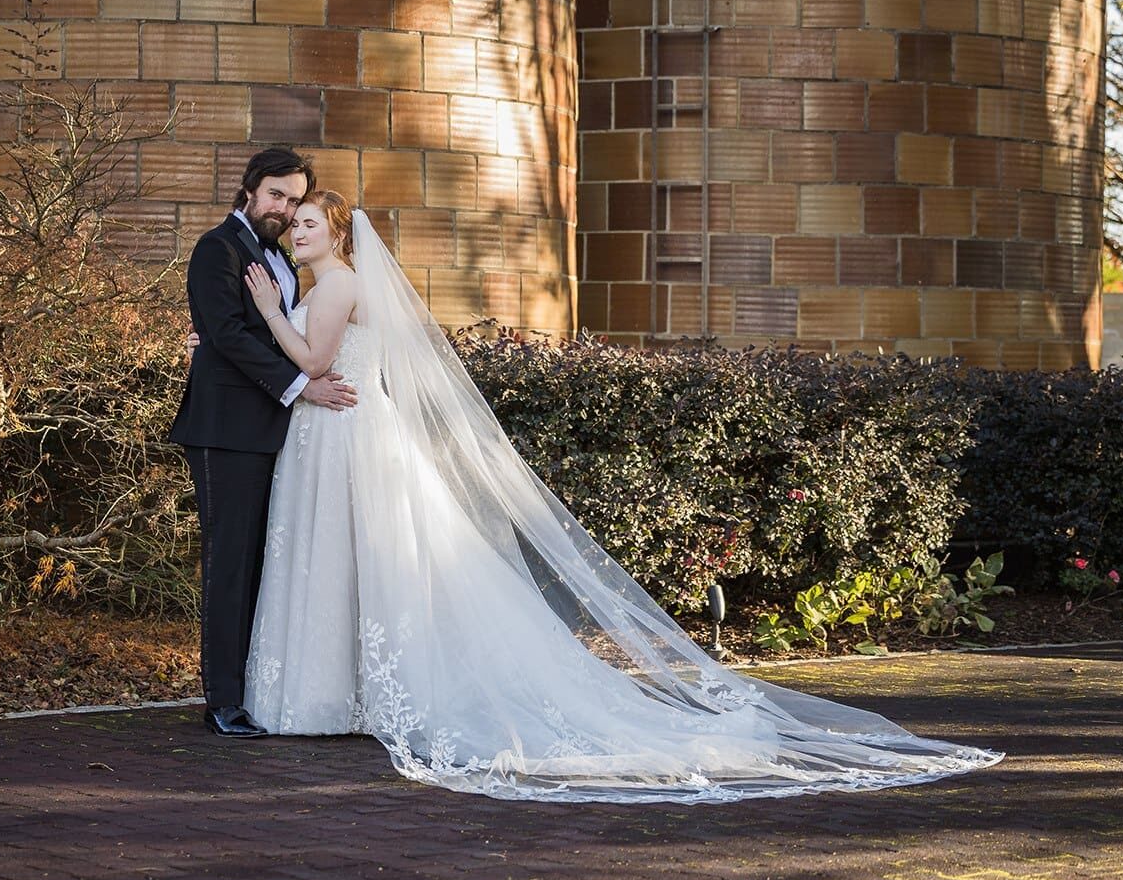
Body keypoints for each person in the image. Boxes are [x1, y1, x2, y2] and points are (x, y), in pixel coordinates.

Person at [193, 191, 1003, 803]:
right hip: (331, 433)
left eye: (308, 223)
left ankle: (336, 695)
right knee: (337, 561)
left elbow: (314, 359)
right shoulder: (329, 282)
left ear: (339, 234)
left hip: (344, 432)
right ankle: (338, 692)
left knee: (348, 557)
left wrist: (264, 312)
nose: (296, 232)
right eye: (293, 223)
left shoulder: (335, 284)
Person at [167, 148, 358, 739]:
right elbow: (226, 333)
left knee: (262, 564)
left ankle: (254, 688)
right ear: (250, 188)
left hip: (276, 432)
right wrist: (303, 386)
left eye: (295, 200)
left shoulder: (282, 258)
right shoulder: (217, 249)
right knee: (230, 564)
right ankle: (223, 701)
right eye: (276, 194)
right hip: (226, 432)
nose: (284, 208)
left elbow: (273, 334)